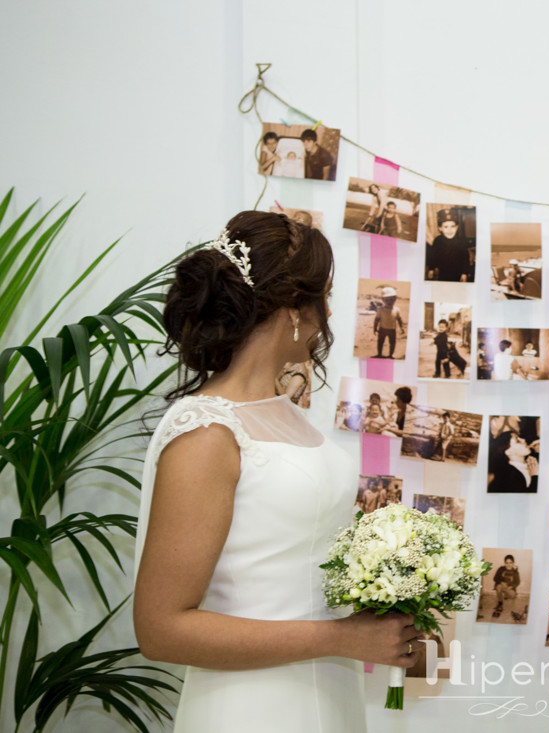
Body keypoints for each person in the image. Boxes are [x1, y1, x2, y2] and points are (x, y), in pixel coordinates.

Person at [133, 212, 419, 732]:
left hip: (328, 691)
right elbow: (160, 630)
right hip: (252, 705)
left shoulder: (286, 412)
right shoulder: (206, 432)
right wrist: (342, 638)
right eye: (324, 296)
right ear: (293, 310)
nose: (327, 312)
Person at [425, 208, 474, 282]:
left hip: (458, 273)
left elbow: (465, 259)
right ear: (440, 228)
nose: (449, 230)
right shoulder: (437, 241)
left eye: (452, 226)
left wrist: (464, 273)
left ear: (457, 227)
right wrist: (431, 269)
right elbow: (433, 256)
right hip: (442, 273)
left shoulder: (461, 241)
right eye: (446, 227)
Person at [371, 286, 404, 358]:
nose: (390, 302)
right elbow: (377, 319)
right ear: (383, 300)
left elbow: (399, 319)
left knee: (392, 343)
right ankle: (379, 354)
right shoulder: (380, 309)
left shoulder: (396, 309)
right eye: (387, 300)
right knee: (380, 342)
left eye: (392, 300)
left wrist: (402, 327)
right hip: (382, 329)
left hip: (392, 329)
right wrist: (375, 328)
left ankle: (390, 355)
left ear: (395, 299)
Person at [491, 555, 522, 622]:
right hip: (502, 586)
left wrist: (511, 586)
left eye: (510, 563)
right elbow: (495, 578)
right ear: (504, 563)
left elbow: (517, 582)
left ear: (513, 563)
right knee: (498, 587)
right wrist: (501, 582)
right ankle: (500, 602)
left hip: (509, 588)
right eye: (507, 563)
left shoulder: (515, 572)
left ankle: (505, 595)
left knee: (512, 596)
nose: (508, 565)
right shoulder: (501, 569)